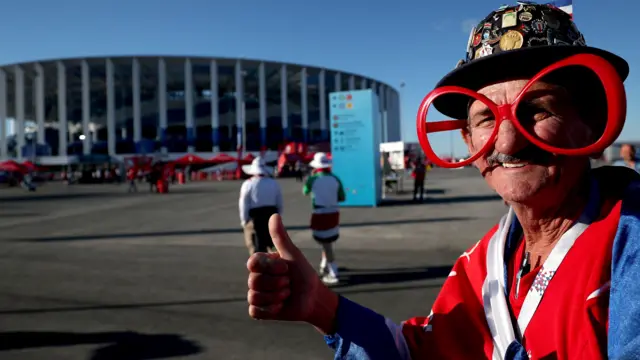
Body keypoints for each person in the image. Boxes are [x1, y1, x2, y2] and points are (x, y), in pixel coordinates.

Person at [246, 3, 640, 359]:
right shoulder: (482, 265)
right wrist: (323, 309)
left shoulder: (628, 244)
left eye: (536, 109)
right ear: (469, 140)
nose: (506, 141)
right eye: (486, 118)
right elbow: (424, 351)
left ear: (592, 125)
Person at [302, 152, 346, 285]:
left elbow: (305, 191)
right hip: (333, 212)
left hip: (320, 212)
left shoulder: (313, 179)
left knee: (325, 242)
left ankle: (333, 271)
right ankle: (324, 263)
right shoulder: (335, 178)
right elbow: (342, 197)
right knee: (329, 240)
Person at [239, 156, 283, 255]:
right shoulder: (273, 183)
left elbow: (243, 203)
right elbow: (279, 202)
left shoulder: (248, 184)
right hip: (271, 215)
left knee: (255, 246)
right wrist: (278, 216)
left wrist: (244, 220)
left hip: (255, 217)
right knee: (272, 245)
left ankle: (259, 267)